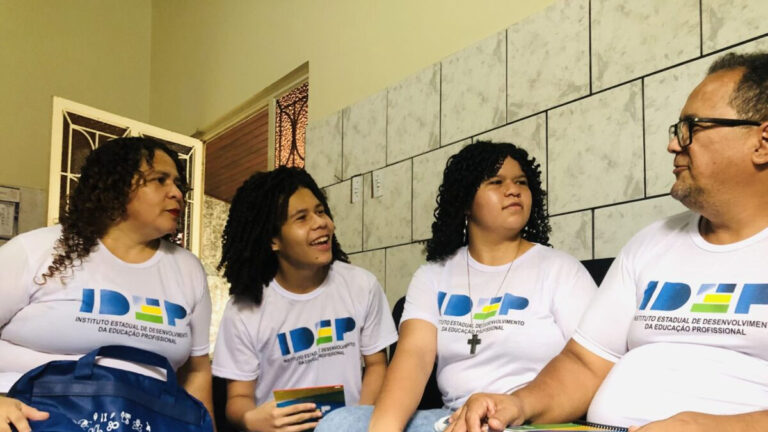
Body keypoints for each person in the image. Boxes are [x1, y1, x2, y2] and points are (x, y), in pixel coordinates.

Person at [448, 52, 768, 432]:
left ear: (762, 142)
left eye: (691, 128)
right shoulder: (651, 243)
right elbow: (585, 365)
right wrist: (517, 404)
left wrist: (715, 427)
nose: (673, 145)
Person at [316, 141, 597, 432]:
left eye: (521, 182)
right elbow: (414, 357)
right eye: (496, 182)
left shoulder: (562, 270)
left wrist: (516, 408)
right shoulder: (433, 275)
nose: (513, 190)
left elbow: (591, 365)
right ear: (465, 201)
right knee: (341, 422)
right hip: (452, 420)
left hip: (527, 420)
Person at [0, 137, 214, 432]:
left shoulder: (188, 270)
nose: (176, 193)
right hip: (34, 418)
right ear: (116, 184)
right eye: (160, 180)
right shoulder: (36, 250)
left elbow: (197, 373)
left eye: (178, 184)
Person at [211, 167, 397, 432]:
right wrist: (252, 419)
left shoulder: (362, 286)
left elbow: (377, 365)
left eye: (320, 211)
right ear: (273, 240)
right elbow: (238, 398)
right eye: (302, 218)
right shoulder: (244, 310)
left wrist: (357, 422)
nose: (321, 223)